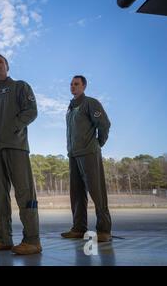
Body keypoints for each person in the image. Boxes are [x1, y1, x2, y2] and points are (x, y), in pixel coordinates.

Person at [0, 54, 42, 255]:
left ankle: (32, 240)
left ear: (7, 67)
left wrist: (12, 128)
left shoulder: (20, 87)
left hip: (16, 147)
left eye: (0, 62)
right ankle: (3, 238)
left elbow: (31, 111)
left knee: (25, 193)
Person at [62, 75, 112, 242]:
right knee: (76, 193)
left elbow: (104, 124)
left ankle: (104, 230)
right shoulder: (70, 108)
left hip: (89, 153)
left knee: (96, 191)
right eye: (71, 84)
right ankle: (78, 228)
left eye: (76, 84)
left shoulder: (90, 103)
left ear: (84, 86)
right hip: (73, 154)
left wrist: (98, 144)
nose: (72, 86)